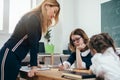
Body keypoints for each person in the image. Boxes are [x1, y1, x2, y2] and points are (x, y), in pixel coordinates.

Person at [0, 0, 60, 80]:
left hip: (15, 57)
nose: (54, 15)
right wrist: (33, 66)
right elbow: (33, 44)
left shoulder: (37, 19)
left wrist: (35, 63)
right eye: (54, 11)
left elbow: (32, 43)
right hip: (9, 55)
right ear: (47, 6)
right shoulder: (33, 18)